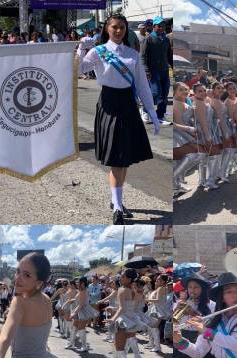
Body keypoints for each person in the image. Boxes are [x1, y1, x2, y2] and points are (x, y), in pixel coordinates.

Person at [76, 13, 160, 225]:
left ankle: (117, 201)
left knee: (123, 158)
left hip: (128, 105)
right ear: (107, 28)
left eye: (122, 27)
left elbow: (142, 85)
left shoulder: (132, 54)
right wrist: (80, 49)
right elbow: (79, 69)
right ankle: (118, 207)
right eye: (114, 27)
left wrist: (152, 112)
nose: (118, 30)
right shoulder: (98, 51)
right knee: (117, 158)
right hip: (108, 104)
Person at [102, 268, 144, 358]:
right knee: (116, 347)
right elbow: (128, 307)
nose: (121, 277)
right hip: (130, 320)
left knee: (120, 349)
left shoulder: (122, 289)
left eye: (123, 276)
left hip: (123, 321)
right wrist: (113, 310)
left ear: (129, 279)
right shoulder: (133, 291)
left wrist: (112, 318)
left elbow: (122, 308)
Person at [140, 16, 173, 125]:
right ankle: (144, 110)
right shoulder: (148, 39)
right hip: (153, 72)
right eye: (159, 26)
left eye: (163, 26)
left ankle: (160, 115)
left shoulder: (166, 40)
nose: (161, 28)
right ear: (154, 26)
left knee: (164, 93)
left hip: (164, 71)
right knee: (155, 93)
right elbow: (142, 56)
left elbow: (169, 56)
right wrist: (146, 70)